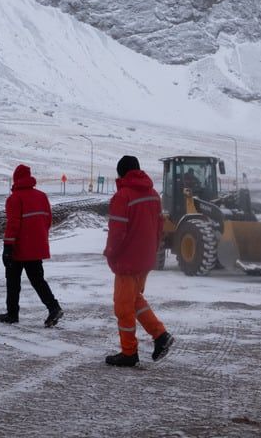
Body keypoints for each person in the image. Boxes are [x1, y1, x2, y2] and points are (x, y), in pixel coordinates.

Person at [103, 155, 174, 367]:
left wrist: (110, 252)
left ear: (122, 173)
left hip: (127, 261)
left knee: (123, 307)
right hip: (145, 259)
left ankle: (129, 353)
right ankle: (161, 336)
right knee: (135, 300)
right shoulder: (153, 195)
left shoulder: (122, 197)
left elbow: (117, 232)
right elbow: (159, 227)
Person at [0, 163, 63, 327]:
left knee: (13, 280)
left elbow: (13, 225)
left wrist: (7, 247)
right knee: (37, 280)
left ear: (16, 179)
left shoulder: (14, 198)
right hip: (36, 246)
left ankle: (12, 313)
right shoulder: (42, 196)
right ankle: (53, 307)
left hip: (19, 247)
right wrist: (38, 237)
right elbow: (48, 220)